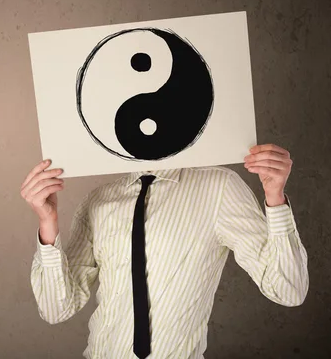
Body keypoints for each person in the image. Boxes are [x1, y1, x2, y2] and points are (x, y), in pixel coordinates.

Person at [20, 144, 308, 359]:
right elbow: (56, 308)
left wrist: (275, 197)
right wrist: (47, 222)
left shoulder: (220, 187)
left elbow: (289, 290)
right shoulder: (99, 199)